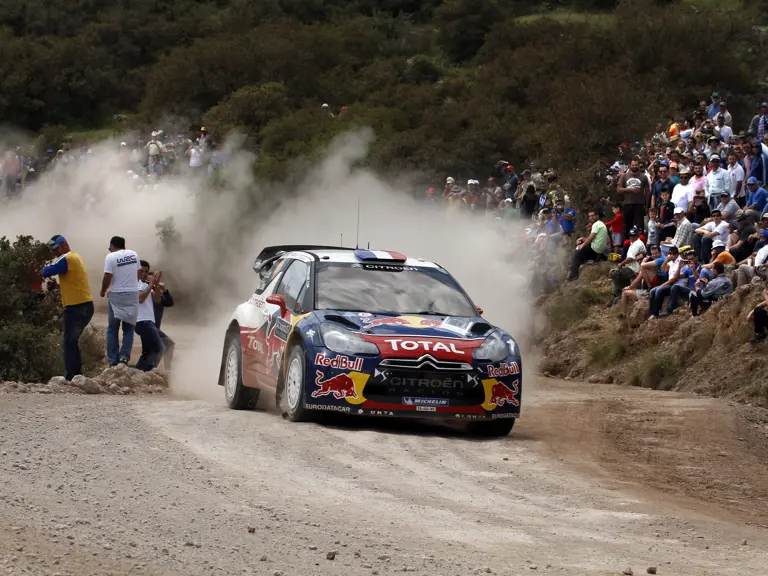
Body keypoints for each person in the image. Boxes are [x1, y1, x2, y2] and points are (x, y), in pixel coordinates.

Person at [40, 236, 94, 381]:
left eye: (56, 249)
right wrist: (56, 286)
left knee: (69, 341)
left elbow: (46, 271)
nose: (55, 252)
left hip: (77, 307)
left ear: (64, 244)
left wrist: (42, 268)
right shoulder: (75, 257)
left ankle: (72, 376)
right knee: (71, 341)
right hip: (84, 305)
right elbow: (70, 282)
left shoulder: (67, 258)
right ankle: (77, 374)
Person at [101, 236, 140, 366]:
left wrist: (103, 290)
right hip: (132, 294)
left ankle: (112, 359)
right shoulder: (134, 254)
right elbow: (139, 273)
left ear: (112, 246)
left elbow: (107, 276)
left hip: (117, 295)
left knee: (113, 328)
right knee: (128, 328)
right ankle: (124, 357)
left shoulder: (110, 257)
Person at [135, 261, 165, 371]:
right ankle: (149, 371)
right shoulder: (135, 283)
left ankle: (138, 371)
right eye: (141, 271)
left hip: (148, 321)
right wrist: (152, 284)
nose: (144, 274)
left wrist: (156, 284)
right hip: (142, 320)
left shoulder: (145, 285)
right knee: (160, 348)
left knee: (147, 351)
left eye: (146, 271)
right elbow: (140, 298)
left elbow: (157, 299)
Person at [568, 210, 608, 281]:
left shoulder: (596, 224)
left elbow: (591, 238)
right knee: (582, 252)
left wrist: (582, 245)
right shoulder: (601, 224)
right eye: (590, 216)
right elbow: (594, 238)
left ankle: (574, 275)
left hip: (594, 248)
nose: (591, 217)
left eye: (593, 216)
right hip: (599, 250)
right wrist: (584, 239)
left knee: (576, 256)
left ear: (597, 216)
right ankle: (600, 258)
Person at [616, 159, 649, 241]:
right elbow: (619, 190)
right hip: (627, 204)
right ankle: (628, 244)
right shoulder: (624, 176)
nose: (635, 166)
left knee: (638, 227)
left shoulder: (643, 177)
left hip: (639, 204)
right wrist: (631, 190)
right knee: (628, 226)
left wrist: (647, 205)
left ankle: (640, 244)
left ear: (639, 165)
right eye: (633, 165)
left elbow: (647, 192)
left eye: (636, 165)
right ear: (629, 165)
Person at [649, 245, 685, 319]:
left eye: (672, 254)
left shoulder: (680, 262)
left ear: (676, 254)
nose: (670, 255)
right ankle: (651, 313)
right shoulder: (671, 261)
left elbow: (674, 279)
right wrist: (666, 261)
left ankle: (656, 313)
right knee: (652, 291)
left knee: (659, 290)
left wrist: (663, 284)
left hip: (676, 285)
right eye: (669, 253)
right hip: (671, 283)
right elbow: (663, 270)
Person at [609, 226, 645, 300]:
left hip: (634, 269)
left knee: (614, 273)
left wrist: (621, 264)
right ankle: (616, 294)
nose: (632, 237)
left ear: (637, 236)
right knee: (616, 275)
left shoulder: (638, 244)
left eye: (633, 236)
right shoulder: (633, 243)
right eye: (630, 236)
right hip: (630, 267)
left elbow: (631, 258)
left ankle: (619, 293)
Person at [150, 267, 176, 370]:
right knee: (166, 345)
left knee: (162, 346)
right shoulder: (146, 295)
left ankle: (155, 368)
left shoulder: (158, 296)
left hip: (155, 328)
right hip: (149, 326)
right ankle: (161, 369)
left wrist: (164, 289)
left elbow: (170, 303)